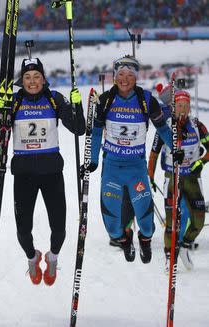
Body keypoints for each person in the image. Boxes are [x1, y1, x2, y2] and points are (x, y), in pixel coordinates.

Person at [0, 58, 85, 285]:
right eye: (27, 77)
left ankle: (52, 257)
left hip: (52, 172)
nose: (32, 82)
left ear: (44, 79)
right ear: (21, 81)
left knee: (59, 229)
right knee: (23, 231)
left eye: (36, 77)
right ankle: (32, 258)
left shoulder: (54, 99)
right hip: (23, 174)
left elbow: (79, 129)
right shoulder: (13, 101)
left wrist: (77, 106)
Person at [84, 55, 175, 264]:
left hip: (136, 168)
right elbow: (96, 133)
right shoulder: (106, 100)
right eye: (121, 74)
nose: (125, 79)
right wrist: (94, 160)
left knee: (146, 220)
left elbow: (162, 128)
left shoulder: (146, 100)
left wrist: (175, 149)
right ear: (115, 76)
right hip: (112, 168)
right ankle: (124, 240)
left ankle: (144, 240)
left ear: (136, 77)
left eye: (130, 75)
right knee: (112, 224)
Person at [148, 89, 209, 270]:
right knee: (171, 222)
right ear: (173, 107)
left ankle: (184, 245)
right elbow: (153, 153)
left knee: (198, 220)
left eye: (186, 106)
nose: (182, 109)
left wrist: (202, 162)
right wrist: (150, 176)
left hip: (191, 177)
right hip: (172, 177)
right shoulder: (164, 128)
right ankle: (169, 255)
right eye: (179, 105)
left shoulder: (198, 126)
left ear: (189, 108)